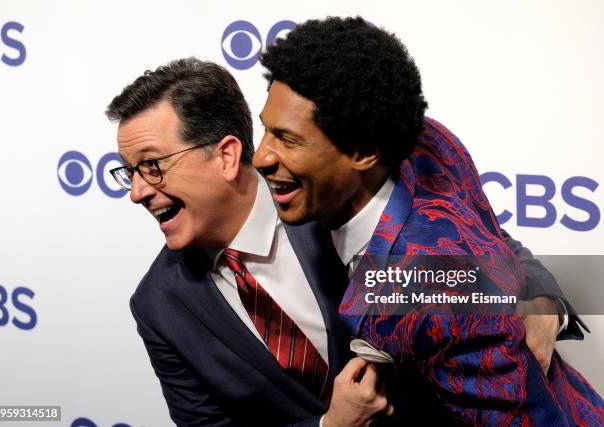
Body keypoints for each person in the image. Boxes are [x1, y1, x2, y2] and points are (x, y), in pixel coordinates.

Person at [253, 17, 603, 425]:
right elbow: (488, 235)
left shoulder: (425, 288)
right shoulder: (423, 138)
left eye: (288, 139)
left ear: (365, 151)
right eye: (267, 130)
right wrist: (544, 302)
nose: (261, 156)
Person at [105, 58, 390, 427]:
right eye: (130, 172)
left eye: (152, 165)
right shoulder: (158, 305)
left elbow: (465, 302)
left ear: (226, 155)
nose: (137, 192)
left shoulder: (338, 202)